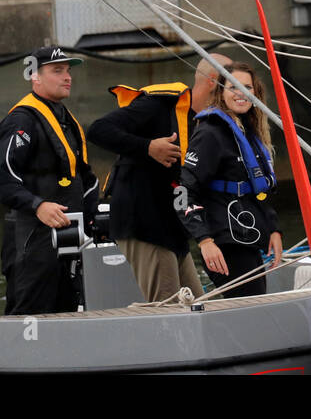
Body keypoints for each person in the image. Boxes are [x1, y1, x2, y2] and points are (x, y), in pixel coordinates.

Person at [88, 53, 233, 302]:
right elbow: (98, 130)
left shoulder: (208, 122)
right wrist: (147, 147)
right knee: (171, 308)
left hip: (173, 228)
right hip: (144, 222)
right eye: (233, 84)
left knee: (199, 305)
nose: (238, 92)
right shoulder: (159, 104)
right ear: (213, 81)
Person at [0, 45, 99, 315]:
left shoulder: (65, 119)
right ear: (34, 76)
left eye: (68, 71)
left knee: (68, 310)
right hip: (31, 239)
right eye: (57, 70)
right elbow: (2, 181)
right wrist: (38, 205)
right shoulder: (21, 120)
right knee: (28, 313)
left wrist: (95, 216)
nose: (67, 77)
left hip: (69, 238)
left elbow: (84, 177)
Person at [180, 62, 284, 298]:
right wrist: (204, 241)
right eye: (233, 87)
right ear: (221, 92)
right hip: (224, 243)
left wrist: (273, 228)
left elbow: (257, 191)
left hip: (247, 237)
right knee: (250, 310)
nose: (241, 93)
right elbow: (184, 192)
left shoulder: (247, 133)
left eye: (247, 87)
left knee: (252, 308)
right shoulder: (210, 133)